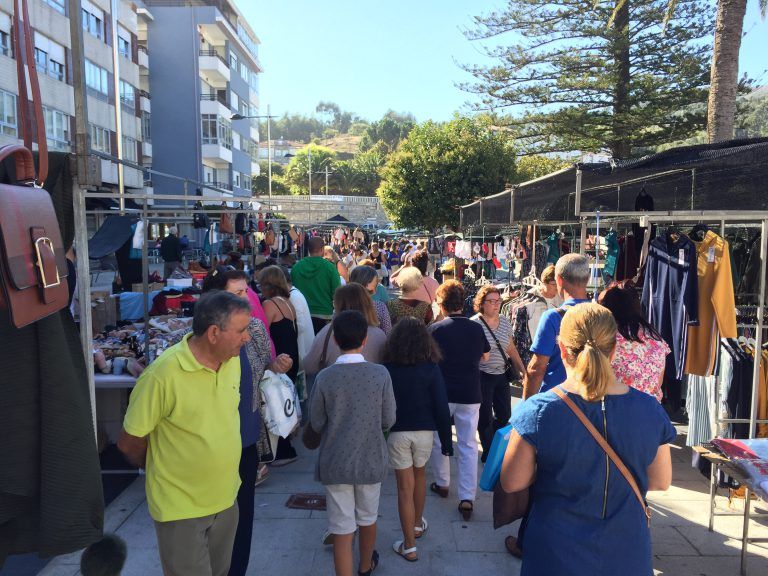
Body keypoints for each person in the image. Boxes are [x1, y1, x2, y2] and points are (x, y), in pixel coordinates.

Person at [501, 303, 675, 576]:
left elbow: (512, 481)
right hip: (626, 551)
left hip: (555, 553)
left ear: (561, 349)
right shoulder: (650, 408)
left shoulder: (538, 410)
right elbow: (660, 480)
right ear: (614, 350)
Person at [117, 292, 252, 576]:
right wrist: (162, 469)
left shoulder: (233, 360)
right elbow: (129, 442)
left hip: (226, 498)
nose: (248, 337)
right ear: (214, 333)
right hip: (181, 509)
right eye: (241, 330)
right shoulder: (162, 375)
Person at [200, 269, 293, 576]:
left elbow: (266, 360)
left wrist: (276, 364)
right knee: (209, 518)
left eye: (246, 291)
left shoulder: (253, 327)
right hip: (209, 442)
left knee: (241, 517)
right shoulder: (202, 333)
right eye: (237, 293)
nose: (247, 298)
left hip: (245, 437)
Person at [307, 310, 397, 576]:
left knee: (341, 527)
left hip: (335, 461)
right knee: (368, 518)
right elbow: (388, 418)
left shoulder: (325, 378)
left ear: (335, 339)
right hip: (370, 458)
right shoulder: (380, 374)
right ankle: (365, 565)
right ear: (365, 340)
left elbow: (317, 421)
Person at [382, 318, 452, 562]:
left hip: (398, 431)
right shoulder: (432, 368)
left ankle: (409, 546)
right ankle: (417, 527)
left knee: (404, 488)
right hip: (424, 431)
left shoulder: (387, 368)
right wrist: (446, 442)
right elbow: (442, 408)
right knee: (420, 475)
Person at [427, 280, 490, 520]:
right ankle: (467, 496)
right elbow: (485, 356)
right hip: (470, 391)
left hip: (442, 392)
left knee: (440, 438)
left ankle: (443, 483)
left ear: (441, 305)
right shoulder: (476, 328)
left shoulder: (435, 330)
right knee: (468, 444)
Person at [523, 254, 591, 399]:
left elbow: (537, 368)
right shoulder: (603, 314)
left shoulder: (553, 317)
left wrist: (526, 406)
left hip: (556, 398)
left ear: (559, 280)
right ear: (588, 278)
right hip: (591, 398)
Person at [471, 284, 526, 461]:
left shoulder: (504, 321)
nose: (496, 304)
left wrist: (523, 370)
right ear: (482, 303)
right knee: (484, 416)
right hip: (482, 376)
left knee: (504, 416)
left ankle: (494, 445)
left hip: (501, 375)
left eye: (498, 300)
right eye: (491, 301)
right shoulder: (475, 324)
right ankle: (488, 451)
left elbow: (510, 348)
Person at [598, 282, 670, 401]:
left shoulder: (607, 337)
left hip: (616, 412)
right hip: (652, 413)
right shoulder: (656, 339)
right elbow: (658, 383)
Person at [260, 265, 301, 466]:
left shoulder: (269, 304)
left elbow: (261, 331)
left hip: (280, 359)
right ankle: (286, 447)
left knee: (276, 404)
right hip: (291, 356)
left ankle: (282, 451)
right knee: (285, 401)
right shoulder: (287, 302)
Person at [303, 284, 387, 376]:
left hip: (333, 385)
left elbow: (308, 366)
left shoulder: (328, 332)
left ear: (339, 305)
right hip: (372, 388)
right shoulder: (380, 336)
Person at [291, 236, 342, 334]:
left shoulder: (296, 267)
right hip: (324, 315)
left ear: (309, 249)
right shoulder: (330, 268)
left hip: (301, 315)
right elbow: (337, 293)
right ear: (322, 249)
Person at [350, 265, 392, 335]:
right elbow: (388, 333)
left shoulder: (341, 306)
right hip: (375, 344)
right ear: (366, 284)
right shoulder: (379, 307)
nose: (375, 291)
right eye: (375, 285)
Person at [527, 264, 564, 336]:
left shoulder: (561, 298)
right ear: (544, 283)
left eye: (558, 284)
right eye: (554, 284)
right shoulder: (531, 298)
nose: (557, 287)